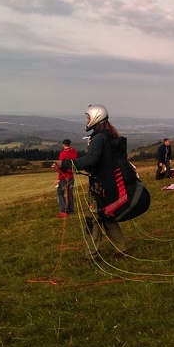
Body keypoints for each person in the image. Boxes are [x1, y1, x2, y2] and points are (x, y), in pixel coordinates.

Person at [63, 104, 130, 260]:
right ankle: (122, 249)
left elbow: (91, 159)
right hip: (108, 183)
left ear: (96, 117)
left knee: (92, 220)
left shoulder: (98, 137)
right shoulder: (108, 134)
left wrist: (67, 164)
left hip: (100, 185)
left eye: (88, 117)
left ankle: (91, 255)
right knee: (107, 216)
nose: (87, 120)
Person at [52, 139, 77, 217]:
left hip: (64, 176)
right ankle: (70, 209)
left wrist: (56, 169)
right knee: (70, 193)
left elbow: (60, 167)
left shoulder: (62, 154)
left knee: (60, 193)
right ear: (70, 144)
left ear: (63, 144)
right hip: (71, 176)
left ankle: (64, 211)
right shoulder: (74, 151)